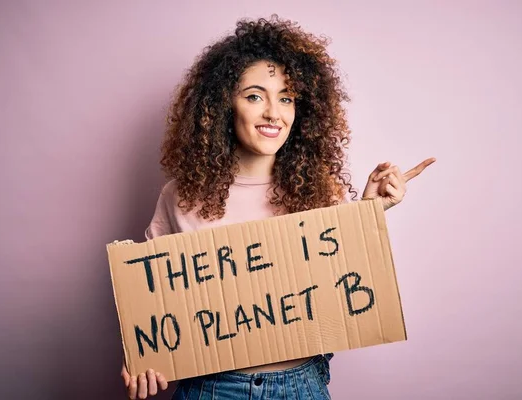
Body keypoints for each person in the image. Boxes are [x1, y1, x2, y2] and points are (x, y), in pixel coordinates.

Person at [121, 15, 435, 399]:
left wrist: (367, 213)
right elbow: (153, 301)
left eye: (286, 98)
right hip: (211, 386)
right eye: (255, 96)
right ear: (223, 104)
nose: (273, 112)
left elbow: (340, 284)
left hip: (300, 384)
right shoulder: (180, 196)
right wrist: (143, 358)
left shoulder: (321, 191)